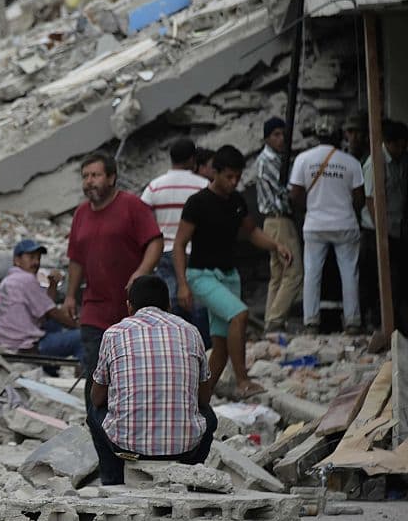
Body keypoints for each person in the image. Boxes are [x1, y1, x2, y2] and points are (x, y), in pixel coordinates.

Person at [174, 145, 293, 400]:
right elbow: (179, 244)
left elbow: (251, 232)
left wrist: (276, 246)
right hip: (202, 275)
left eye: (237, 177)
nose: (234, 182)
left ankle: (199, 400)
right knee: (239, 314)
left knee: (220, 347)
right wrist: (183, 284)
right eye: (229, 176)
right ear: (214, 173)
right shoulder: (197, 202)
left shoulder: (237, 201)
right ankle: (243, 380)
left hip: (229, 275)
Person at [87, 275, 217, 485]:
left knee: (93, 413)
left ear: (129, 307)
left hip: (127, 449)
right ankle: (191, 475)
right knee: (209, 418)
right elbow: (204, 399)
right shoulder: (191, 332)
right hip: (186, 449)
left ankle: (112, 480)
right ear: (169, 305)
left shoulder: (114, 334)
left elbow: (96, 398)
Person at [65, 152, 164, 397]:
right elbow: (76, 259)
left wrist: (141, 273)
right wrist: (69, 296)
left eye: (95, 175)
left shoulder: (131, 206)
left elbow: (155, 242)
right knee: (95, 372)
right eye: (85, 176)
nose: (89, 181)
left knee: (130, 374)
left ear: (111, 178)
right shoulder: (80, 214)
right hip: (94, 309)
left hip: (131, 310)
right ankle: (96, 429)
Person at [289, 121, 366, 335]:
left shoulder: (303, 159)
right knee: (349, 273)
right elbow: (359, 198)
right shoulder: (351, 162)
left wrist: (312, 207)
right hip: (345, 224)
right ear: (339, 136)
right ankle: (352, 322)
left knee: (312, 273)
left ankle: (311, 322)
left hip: (315, 224)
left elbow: (294, 193)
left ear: (317, 136)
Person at [140, 138, 210, 345]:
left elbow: (142, 216)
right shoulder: (203, 185)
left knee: (170, 303)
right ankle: (201, 348)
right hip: (194, 252)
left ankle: (174, 345)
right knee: (198, 305)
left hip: (163, 252)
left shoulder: (155, 187)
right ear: (192, 159)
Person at [0, 240, 82, 358]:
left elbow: (45, 308)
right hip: (24, 347)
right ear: (17, 260)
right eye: (31, 257)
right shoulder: (25, 279)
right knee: (82, 337)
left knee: (52, 324)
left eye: (38, 258)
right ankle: (84, 373)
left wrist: (53, 285)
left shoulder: (10, 279)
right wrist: (77, 325)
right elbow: (53, 312)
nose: (36, 262)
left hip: (7, 342)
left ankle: (52, 367)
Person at [256, 117, 303, 332]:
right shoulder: (270, 161)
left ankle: (270, 320)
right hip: (280, 220)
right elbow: (285, 193)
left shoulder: (275, 159)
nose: (281, 139)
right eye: (276, 134)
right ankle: (275, 320)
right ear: (266, 137)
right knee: (293, 271)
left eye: (282, 134)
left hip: (272, 222)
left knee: (278, 275)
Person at [361, 120, 408, 332]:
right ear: (388, 143)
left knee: (396, 277)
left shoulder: (401, 161)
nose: (401, 149)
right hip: (377, 230)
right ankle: (374, 320)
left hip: (397, 227)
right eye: (398, 145)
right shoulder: (375, 163)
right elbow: (371, 200)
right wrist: (382, 232)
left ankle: (396, 321)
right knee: (375, 277)